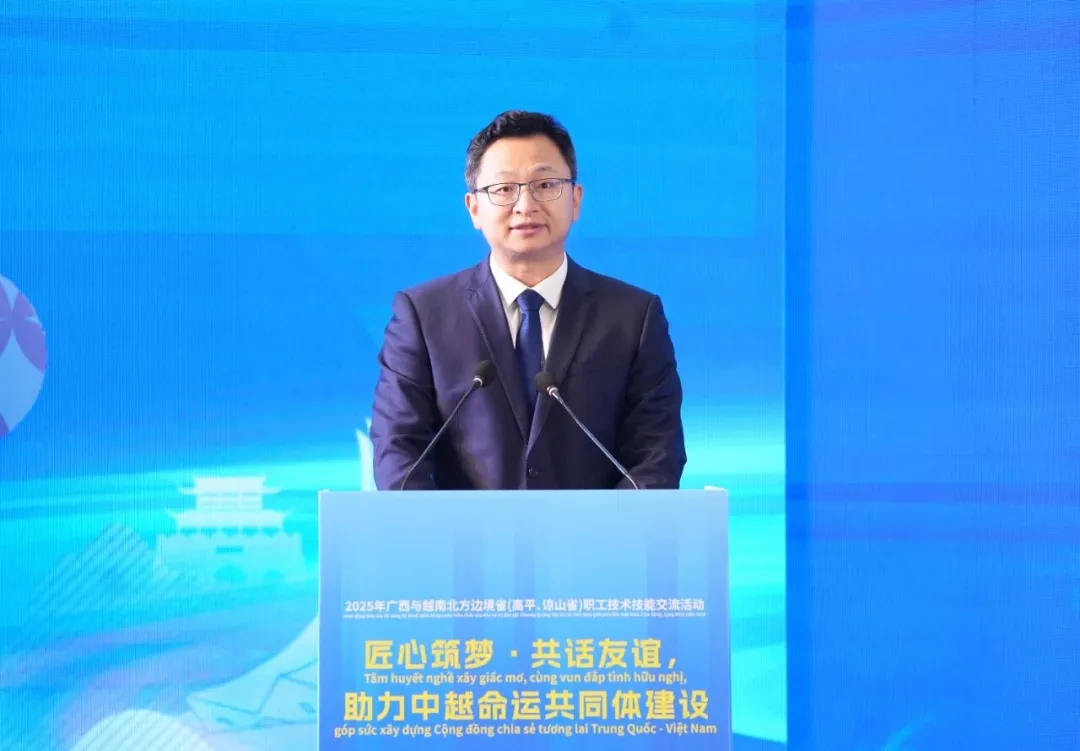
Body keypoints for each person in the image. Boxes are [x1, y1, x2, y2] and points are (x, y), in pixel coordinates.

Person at [369, 110, 686, 490]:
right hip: (462, 531)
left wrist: (607, 527)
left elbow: (655, 454)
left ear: (576, 199)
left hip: (596, 531)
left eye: (546, 184)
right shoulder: (423, 315)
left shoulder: (634, 316)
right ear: (473, 208)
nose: (526, 205)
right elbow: (399, 450)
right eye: (504, 189)